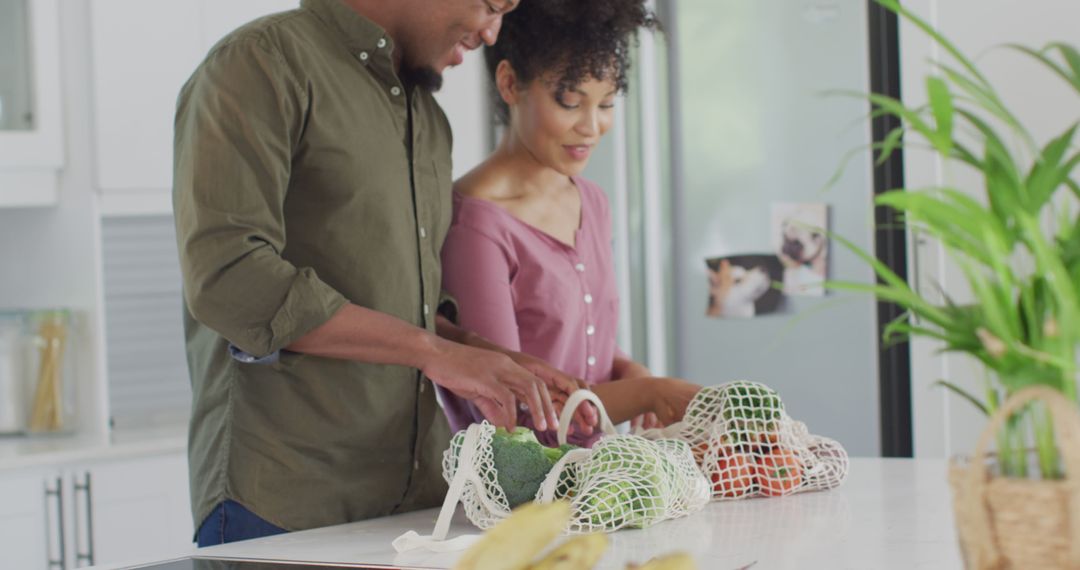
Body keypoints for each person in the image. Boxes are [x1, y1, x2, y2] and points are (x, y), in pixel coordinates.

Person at [172, 0, 597, 546]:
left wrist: (497, 363)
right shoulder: (260, 63)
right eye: (491, 6)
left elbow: (410, 310)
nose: (493, 34)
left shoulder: (427, 117)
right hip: (283, 504)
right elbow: (231, 279)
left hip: (415, 503)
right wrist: (437, 354)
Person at [438, 0, 701, 447]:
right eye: (570, 102)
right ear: (509, 83)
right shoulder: (475, 224)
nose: (592, 126)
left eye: (607, 103)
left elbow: (575, 337)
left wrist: (628, 370)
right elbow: (512, 404)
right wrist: (647, 393)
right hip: (519, 493)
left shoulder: (592, 202)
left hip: (593, 477)